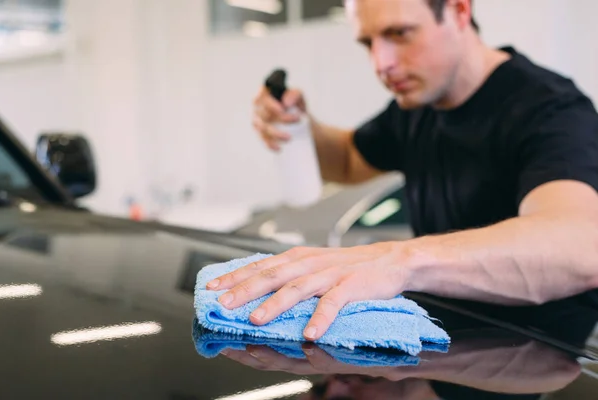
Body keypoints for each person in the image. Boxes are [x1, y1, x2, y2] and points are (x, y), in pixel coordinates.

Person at [207, 0, 598, 342]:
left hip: (545, 361)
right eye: (368, 42)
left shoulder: (550, 110)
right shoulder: (418, 106)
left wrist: (400, 261)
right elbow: (347, 159)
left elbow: (580, 246)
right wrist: (300, 127)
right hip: (442, 351)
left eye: (400, 33)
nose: (382, 63)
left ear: (459, 9)